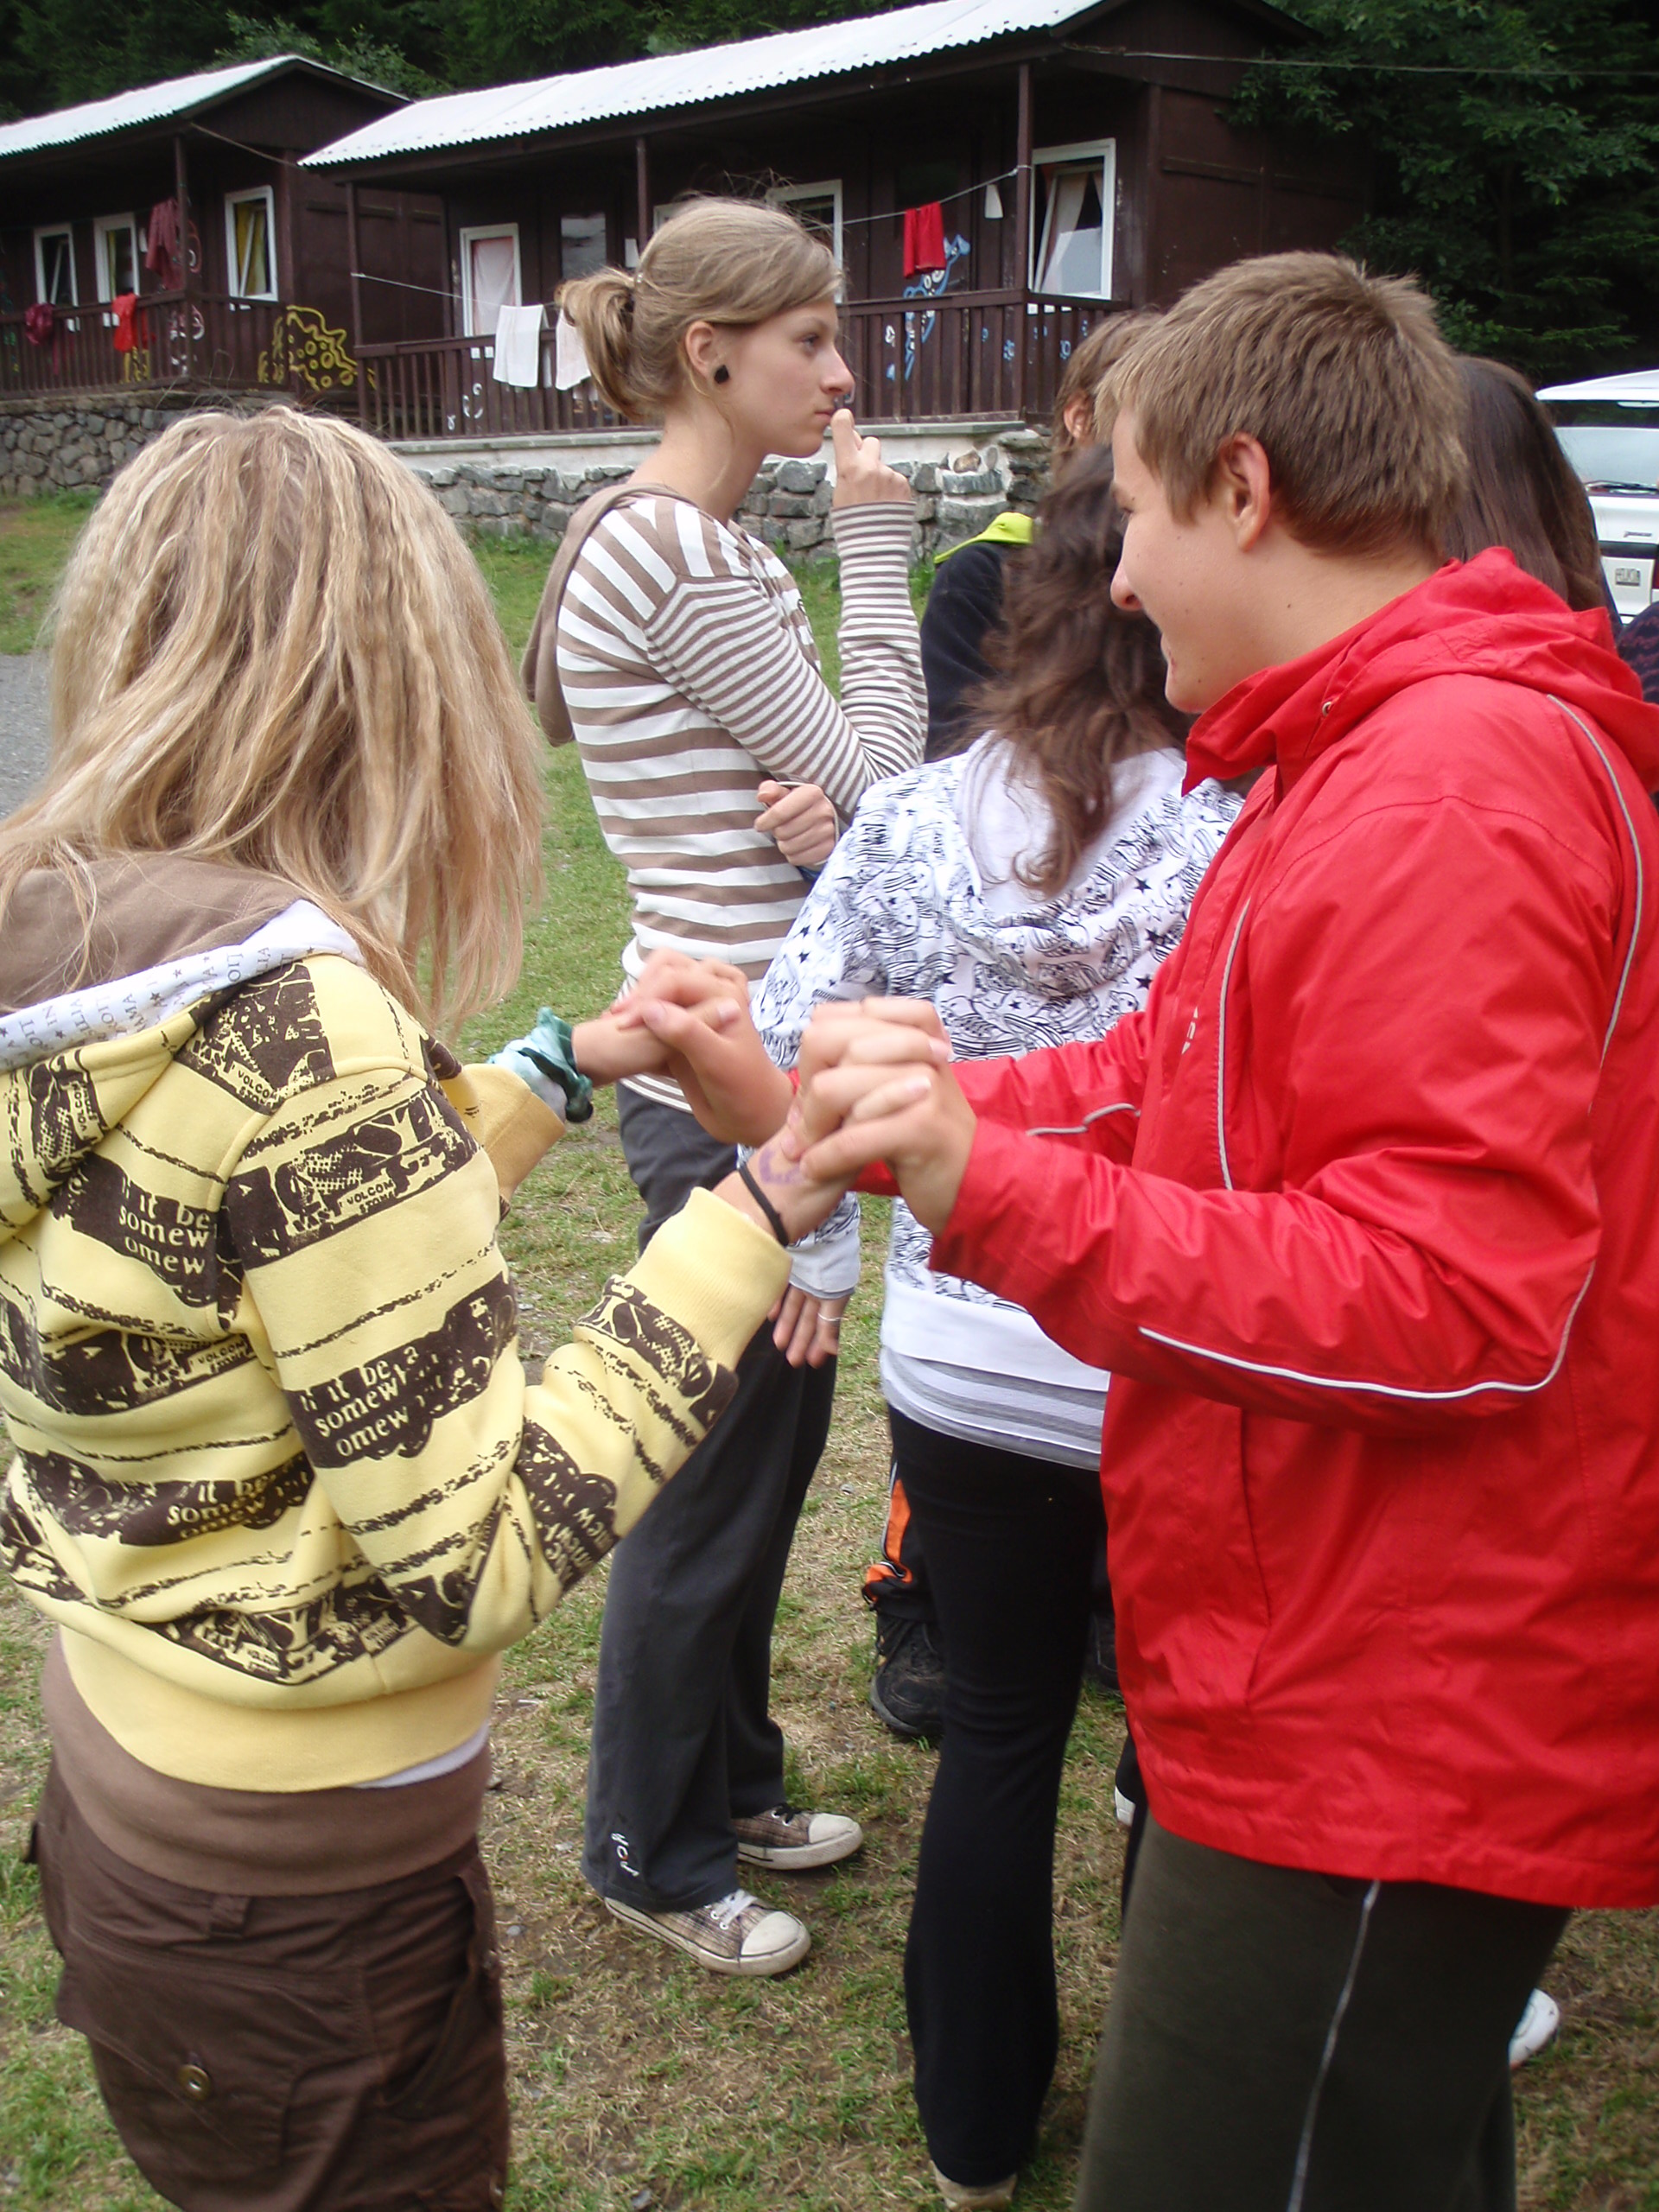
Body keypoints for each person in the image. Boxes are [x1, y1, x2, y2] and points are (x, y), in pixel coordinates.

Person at [780, 254, 1659, 2212]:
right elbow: (1186, 1079)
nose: (1119, 581)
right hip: (1338, 1648)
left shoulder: (1445, 789)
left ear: (1243, 489)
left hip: (1390, 1692)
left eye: (1139, 515)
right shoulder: (1360, 755)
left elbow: (1456, 1304)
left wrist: (987, 1187)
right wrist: (932, 1116)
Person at [0, 407, 847, 2212]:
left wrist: (557, 1065)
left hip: (131, 1797)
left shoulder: (78, 954)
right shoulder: (303, 1033)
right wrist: (758, 1202)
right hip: (305, 1909)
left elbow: (241, 1235)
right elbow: (476, 1548)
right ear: (395, 686)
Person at [752, 444, 1241, 2207]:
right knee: (1174, 1749)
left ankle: (973, 2136)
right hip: (1165, 1339)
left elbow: (790, 1036)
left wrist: (824, 1242)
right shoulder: (1242, 827)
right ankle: (1159, 2132)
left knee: (1004, 1730)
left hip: (966, 1352)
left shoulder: (909, 815)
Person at [522, 196, 925, 1976]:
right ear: (710, 354)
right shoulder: (681, 553)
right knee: (708, 1472)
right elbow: (891, 789)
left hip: (756, 1046)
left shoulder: (674, 543)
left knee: (765, 1457)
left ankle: (732, 1777)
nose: (841, 376)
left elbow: (844, 801)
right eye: (812, 342)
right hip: (723, 1069)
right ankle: (650, 1842)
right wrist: (880, 545)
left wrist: (834, 804)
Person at [868, 310, 1157, 1742]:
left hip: (1037, 1295)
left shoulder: (1248, 806)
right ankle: (919, 1598)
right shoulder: (979, 584)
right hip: (1035, 1297)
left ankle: (1069, 1606)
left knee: (1004, 1725)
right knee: (1046, 1707)